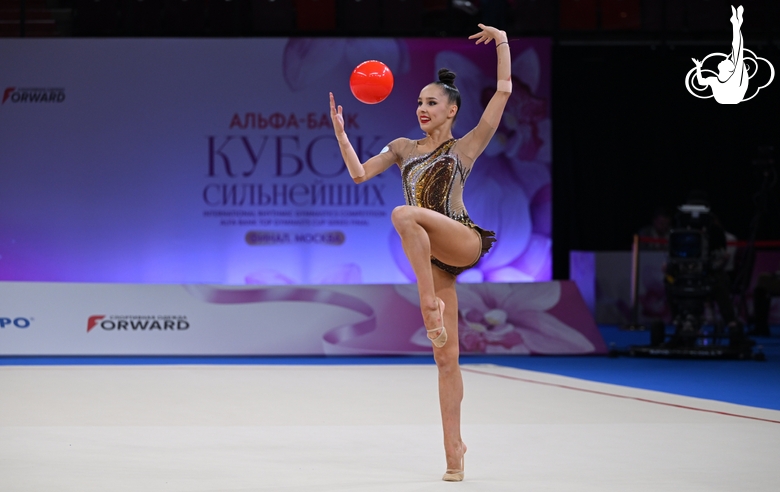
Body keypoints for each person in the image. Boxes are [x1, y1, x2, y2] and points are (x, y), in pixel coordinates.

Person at [329, 23, 511, 482]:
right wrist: (340, 132)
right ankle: (455, 450)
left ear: (452, 110)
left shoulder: (464, 147)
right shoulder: (403, 148)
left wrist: (503, 41)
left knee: (404, 215)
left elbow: (503, 92)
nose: (422, 108)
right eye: (419, 102)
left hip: (461, 240)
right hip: (434, 261)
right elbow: (357, 174)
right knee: (445, 359)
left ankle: (426, 301)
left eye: (432, 103)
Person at [691, 5, 748, 104]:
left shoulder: (728, 78)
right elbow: (701, 82)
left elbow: (738, 49)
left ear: (729, 69)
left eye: (727, 61)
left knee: (737, 51)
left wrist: (698, 67)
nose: (725, 59)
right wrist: (698, 67)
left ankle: (736, 24)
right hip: (730, 96)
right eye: (728, 60)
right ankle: (736, 24)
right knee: (737, 52)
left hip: (732, 95)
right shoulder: (717, 79)